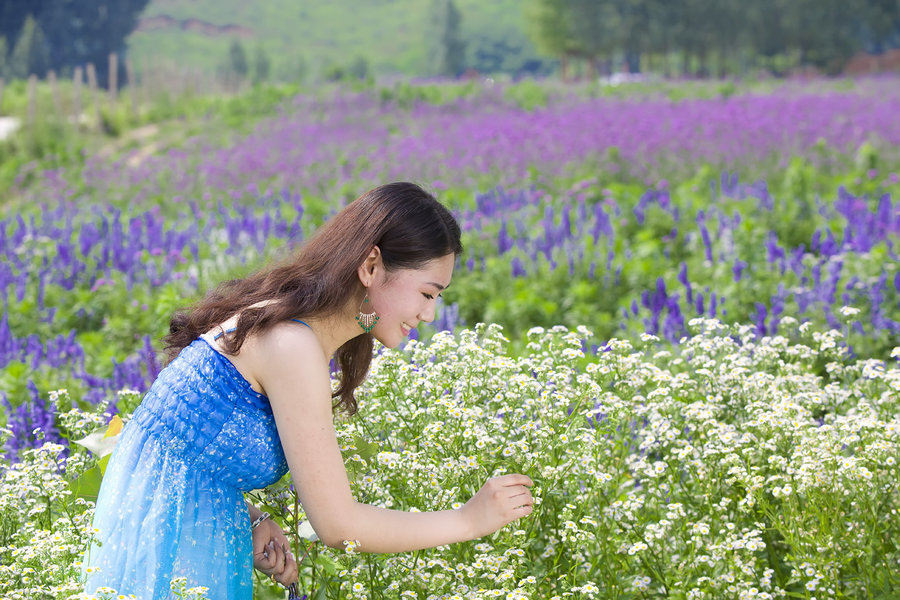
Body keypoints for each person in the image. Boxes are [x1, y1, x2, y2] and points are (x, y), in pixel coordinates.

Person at [83, 182, 534, 599]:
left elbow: (189, 453)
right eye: (428, 293)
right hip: (171, 556)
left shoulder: (295, 333)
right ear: (371, 266)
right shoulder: (291, 344)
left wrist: (253, 519)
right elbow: (339, 527)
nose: (431, 314)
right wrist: (469, 520)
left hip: (180, 538)